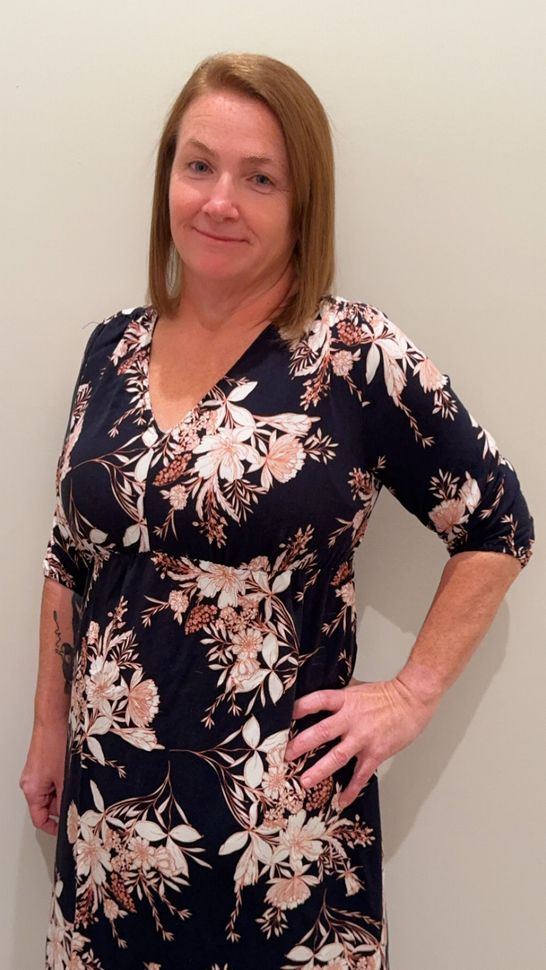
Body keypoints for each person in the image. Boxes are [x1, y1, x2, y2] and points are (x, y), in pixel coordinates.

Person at [20, 52, 534, 970]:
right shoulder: (112, 350)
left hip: (277, 837)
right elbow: (71, 556)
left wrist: (410, 695)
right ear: (166, 180)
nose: (220, 201)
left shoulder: (353, 355)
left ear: (305, 204)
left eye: (260, 178)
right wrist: (48, 731)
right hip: (107, 827)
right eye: (199, 165)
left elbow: (498, 520)